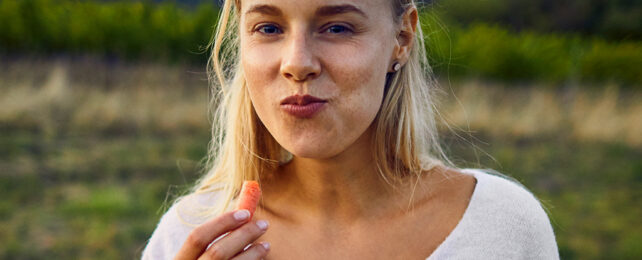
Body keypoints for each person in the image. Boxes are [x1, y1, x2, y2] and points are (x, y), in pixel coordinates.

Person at [142, 0, 559, 259]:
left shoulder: (502, 228)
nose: (297, 62)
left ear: (402, 37)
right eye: (268, 27)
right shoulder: (191, 237)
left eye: (337, 27)